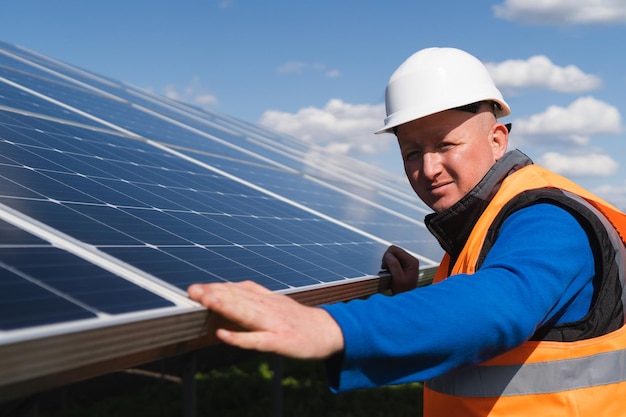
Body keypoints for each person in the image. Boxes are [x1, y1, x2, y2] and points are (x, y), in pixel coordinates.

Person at [188, 47, 626, 416]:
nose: (428, 168)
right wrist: (413, 300)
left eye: (445, 145)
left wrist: (331, 327)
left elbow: (499, 305)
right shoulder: (481, 223)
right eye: (411, 151)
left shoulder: (548, 217)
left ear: (497, 139)